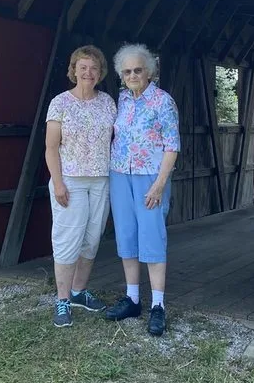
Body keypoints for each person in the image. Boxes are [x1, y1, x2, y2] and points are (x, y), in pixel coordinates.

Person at [105, 44, 180, 336]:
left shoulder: (163, 102)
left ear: (148, 71)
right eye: (127, 71)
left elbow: (172, 147)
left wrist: (159, 185)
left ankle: (158, 306)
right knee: (126, 235)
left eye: (138, 70)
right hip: (120, 173)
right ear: (121, 75)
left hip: (151, 177)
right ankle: (133, 298)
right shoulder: (122, 100)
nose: (133, 75)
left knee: (152, 236)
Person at [45, 45, 117, 328]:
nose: (88, 73)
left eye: (94, 68)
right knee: (67, 239)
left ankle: (79, 292)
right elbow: (51, 148)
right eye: (83, 67)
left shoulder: (108, 102)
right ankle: (62, 300)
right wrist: (59, 183)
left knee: (92, 238)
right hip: (71, 180)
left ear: (101, 73)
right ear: (73, 70)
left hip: (101, 179)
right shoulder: (60, 103)